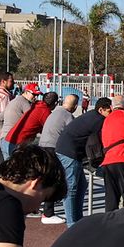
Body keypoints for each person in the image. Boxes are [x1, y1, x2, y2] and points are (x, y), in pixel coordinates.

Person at [57, 97, 110, 226]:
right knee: (72, 188)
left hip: (70, 151)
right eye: (109, 111)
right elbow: (100, 141)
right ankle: (71, 223)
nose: (111, 114)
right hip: (69, 152)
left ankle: (77, 219)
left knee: (81, 186)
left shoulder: (92, 116)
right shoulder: (98, 121)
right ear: (101, 110)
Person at [37, 93, 76, 225]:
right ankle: (48, 213)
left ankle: (45, 209)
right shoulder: (68, 116)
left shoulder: (54, 112)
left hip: (43, 146)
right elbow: (73, 132)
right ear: (75, 106)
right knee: (53, 179)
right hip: (52, 148)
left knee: (47, 178)